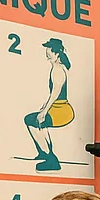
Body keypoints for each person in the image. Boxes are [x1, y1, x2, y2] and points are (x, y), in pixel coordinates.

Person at [24, 38, 74, 172]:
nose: (47, 55)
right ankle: (44, 152)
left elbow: (55, 94)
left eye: (49, 53)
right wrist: (43, 107)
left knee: (31, 120)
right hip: (58, 108)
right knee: (38, 121)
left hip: (61, 110)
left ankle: (51, 159)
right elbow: (52, 95)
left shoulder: (57, 70)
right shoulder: (58, 67)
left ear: (57, 53)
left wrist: (44, 111)